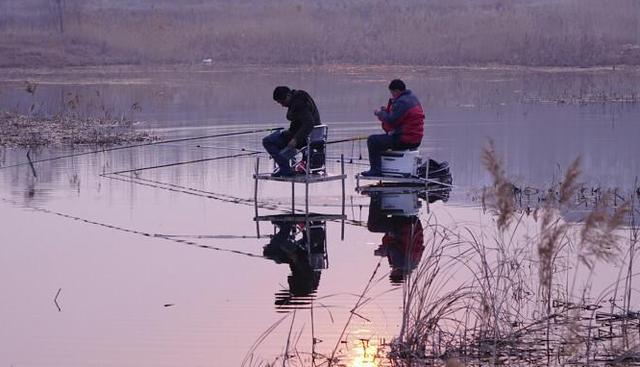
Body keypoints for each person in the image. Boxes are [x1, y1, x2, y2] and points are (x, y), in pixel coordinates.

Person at [361, 79, 425, 177]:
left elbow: (391, 120)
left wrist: (380, 113)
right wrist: (386, 111)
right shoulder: (412, 98)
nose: (392, 95)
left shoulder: (402, 102)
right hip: (415, 139)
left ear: (397, 91)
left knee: (373, 140)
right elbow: (400, 117)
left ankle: (376, 170)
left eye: (392, 93)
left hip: (405, 139)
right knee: (382, 139)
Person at [263, 86, 321, 177]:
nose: (282, 105)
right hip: (314, 137)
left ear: (288, 95)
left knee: (267, 141)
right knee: (279, 136)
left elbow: (309, 123)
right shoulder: (301, 97)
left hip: (304, 138)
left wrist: (295, 139)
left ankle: (286, 170)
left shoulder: (299, 104)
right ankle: (287, 165)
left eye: (282, 102)